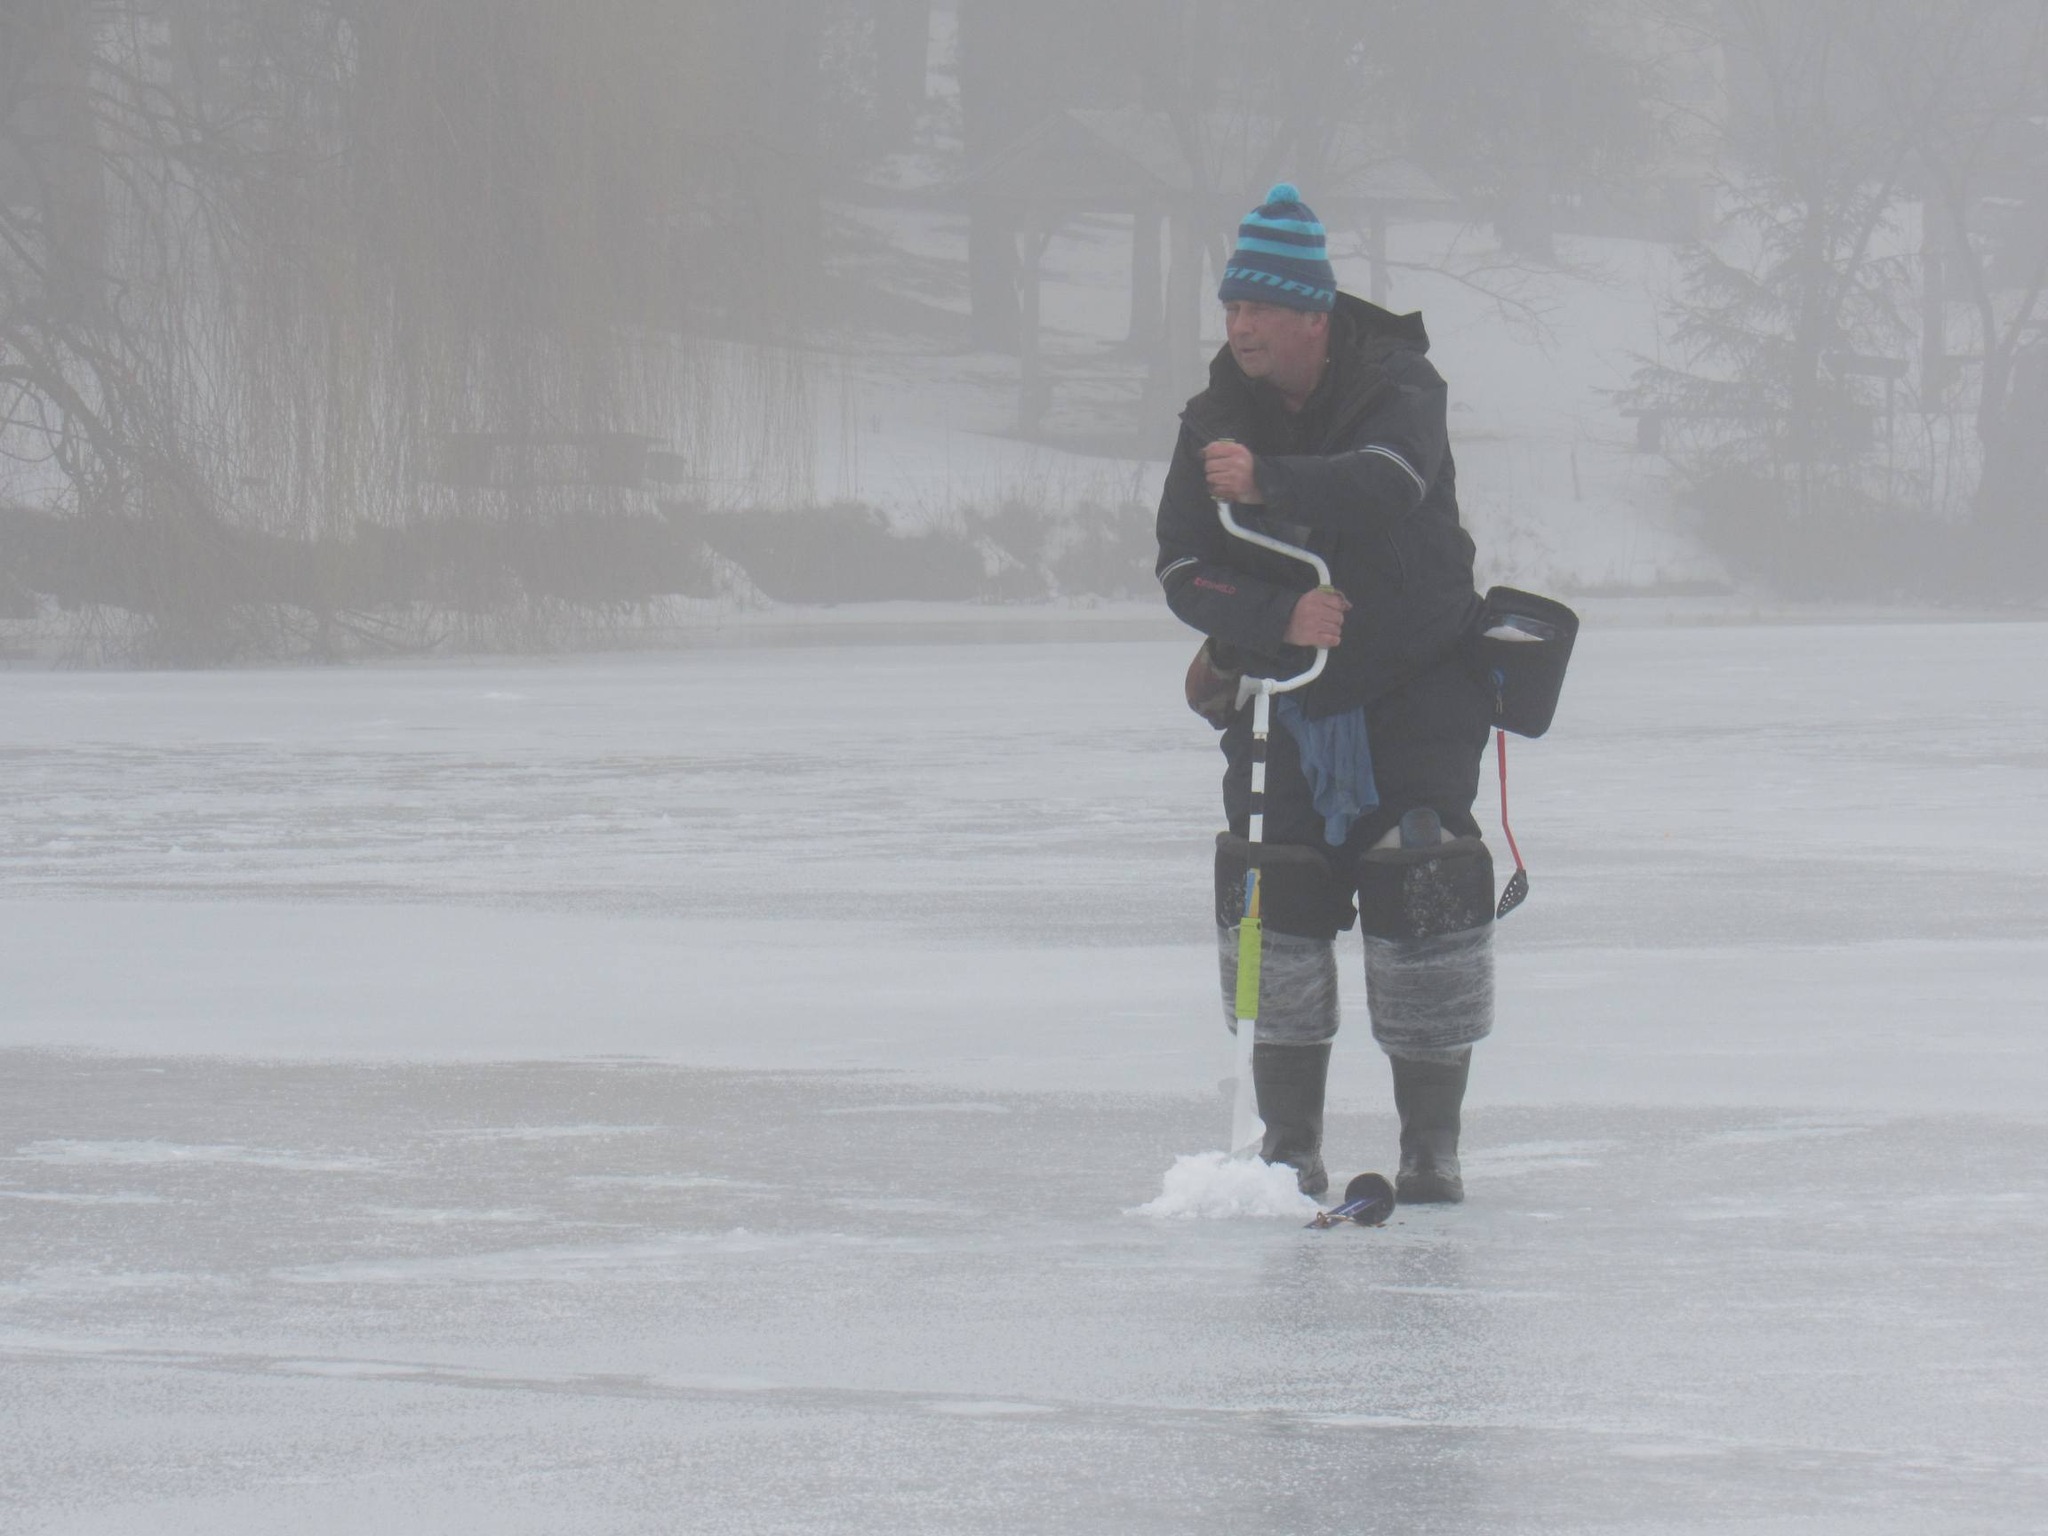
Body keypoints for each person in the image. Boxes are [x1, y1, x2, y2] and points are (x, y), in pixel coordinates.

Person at [1155, 183, 1496, 1204]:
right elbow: (1180, 569)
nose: (1239, 325)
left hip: (1419, 684)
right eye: (1230, 308)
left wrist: (1268, 484)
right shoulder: (1209, 418)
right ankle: (1285, 1150)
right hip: (1283, 697)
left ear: (1313, 313)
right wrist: (1273, 622)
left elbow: (1388, 483)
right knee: (1275, 895)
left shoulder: (1403, 389)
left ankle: (1430, 1154)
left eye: (1258, 307)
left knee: (1421, 889)